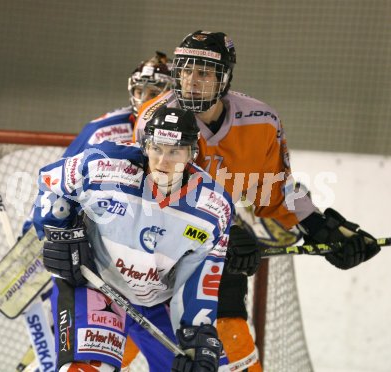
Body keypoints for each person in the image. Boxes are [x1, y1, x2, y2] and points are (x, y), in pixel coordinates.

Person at [134, 30, 381, 371]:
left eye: (204, 73)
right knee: (133, 336)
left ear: (224, 79)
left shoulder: (261, 121)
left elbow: (277, 190)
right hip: (152, 250)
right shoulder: (158, 118)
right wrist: (220, 233)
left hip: (215, 254)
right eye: (185, 70)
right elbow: (151, 198)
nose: (191, 80)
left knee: (233, 337)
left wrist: (322, 229)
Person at [32, 106, 234, 371]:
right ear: (145, 146)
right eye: (157, 149)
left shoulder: (213, 208)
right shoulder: (104, 164)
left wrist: (197, 338)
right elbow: (49, 181)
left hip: (157, 300)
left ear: (192, 153)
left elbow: (198, 278)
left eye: (175, 151)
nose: (163, 161)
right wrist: (59, 231)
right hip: (93, 282)